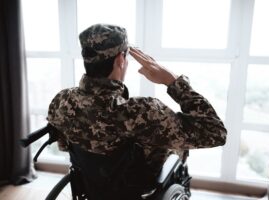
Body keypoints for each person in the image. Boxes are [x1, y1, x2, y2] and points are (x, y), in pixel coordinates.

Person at [47, 24, 227, 198]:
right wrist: (172, 81)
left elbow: (64, 145)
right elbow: (215, 132)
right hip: (134, 189)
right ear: (120, 60)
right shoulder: (143, 112)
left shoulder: (62, 100)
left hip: (90, 184)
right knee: (174, 146)